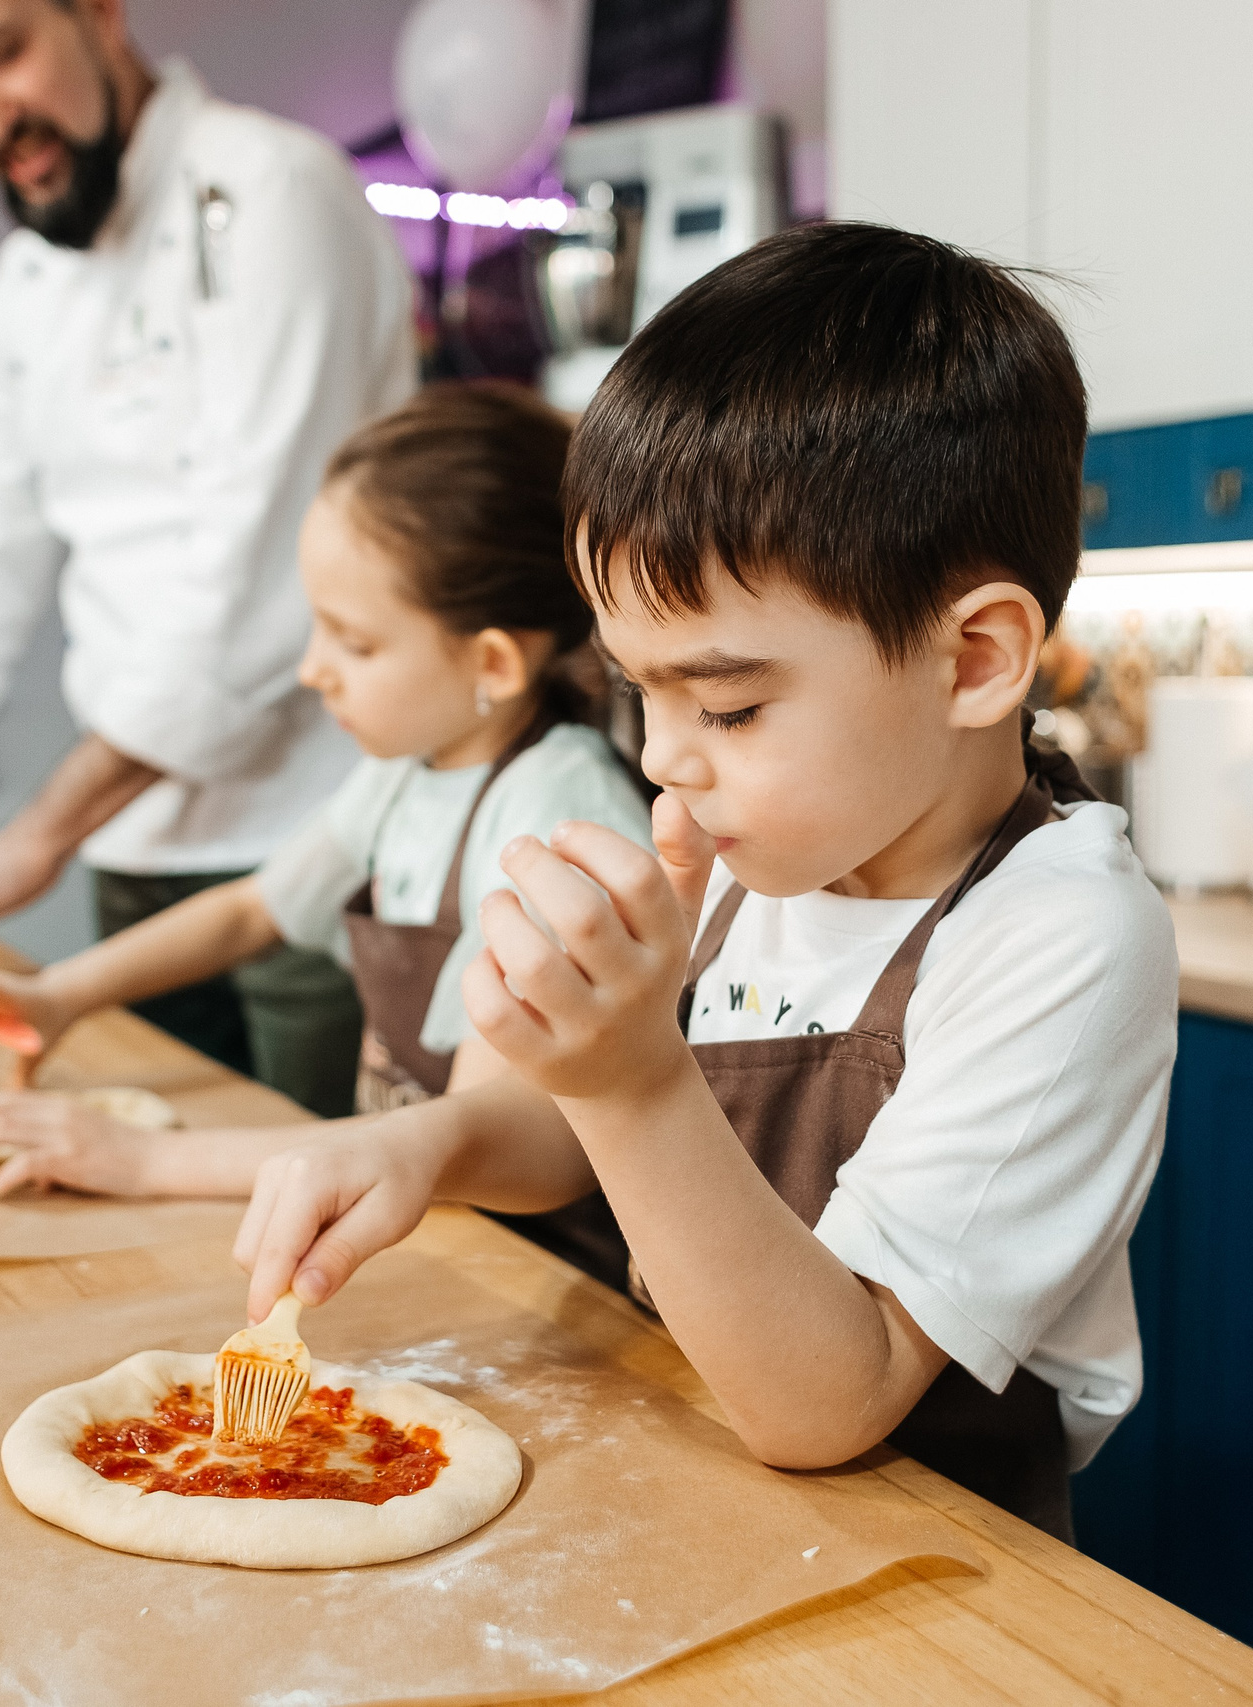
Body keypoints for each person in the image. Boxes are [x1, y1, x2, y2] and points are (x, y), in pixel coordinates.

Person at [215, 225, 1179, 1542]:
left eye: (726, 705)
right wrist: (428, 1141)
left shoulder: (1061, 932)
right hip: (697, 1476)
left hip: (937, 1560)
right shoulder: (756, 855)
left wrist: (632, 1075)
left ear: (971, 661)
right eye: (639, 693)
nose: (666, 757)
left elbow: (832, 1397)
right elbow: (581, 1141)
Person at [0, 0, 416, 1118]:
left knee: (325, 1199)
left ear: (98, 13)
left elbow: (255, 585)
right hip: (131, 854)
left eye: (0, 53)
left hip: (323, 845)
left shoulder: (272, 193)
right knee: (163, 1190)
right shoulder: (27, 287)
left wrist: (30, 840)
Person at [0, 384, 654, 1281]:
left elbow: (471, 1136)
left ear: (493, 662)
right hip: (437, 1232)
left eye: (354, 642)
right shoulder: (411, 770)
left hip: (542, 1273)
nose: (314, 670)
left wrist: (142, 1160)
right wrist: (57, 995)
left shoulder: (557, 822)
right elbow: (251, 910)